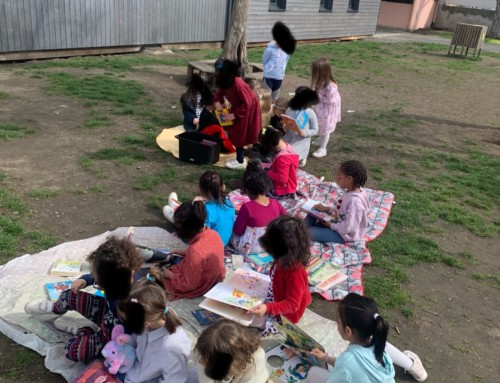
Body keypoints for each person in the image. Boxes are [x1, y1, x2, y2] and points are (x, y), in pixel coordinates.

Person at [24, 236, 143, 362]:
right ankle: (55, 307)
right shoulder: (119, 275)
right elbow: (99, 274)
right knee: (71, 295)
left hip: (111, 336)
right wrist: (85, 280)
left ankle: (84, 330)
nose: (95, 280)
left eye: (97, 280)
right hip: (106, 313)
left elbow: (131, 338)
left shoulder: (134, 299)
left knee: (73, 351)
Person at [307, 293, 428, 383]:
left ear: (348, 331)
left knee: (312, 373)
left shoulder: (347, 361)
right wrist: (326, 358)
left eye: (338, 322)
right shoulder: (377, 344)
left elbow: (343, 370)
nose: (336, 325)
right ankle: (413, 366)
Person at [119, 273, 191, 383]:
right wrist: (128, 340)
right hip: (135, 370)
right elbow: (139, 341)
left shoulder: (173, 348)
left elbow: (175, 380)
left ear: (146, 323)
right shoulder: (153, 316)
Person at [250, 216, 311, 331]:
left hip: (288, 315)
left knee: (252, 321)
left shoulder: (295, 272)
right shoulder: (284, 258)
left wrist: (267, 308)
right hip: (278, 297)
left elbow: (292, 304)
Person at [161, 201, 225, 301]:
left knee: (155, 282)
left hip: (202, 286)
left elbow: (188, 285)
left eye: (178, 227)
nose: (177, 230)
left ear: (187, 229)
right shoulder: (213, 234)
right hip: (212, 279)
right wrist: (185, 252)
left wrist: (170, 275)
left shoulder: (195, 251)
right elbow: (205, 253)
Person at [163, 171, 235, 246]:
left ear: (200, 190)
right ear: (223, 187)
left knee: (176, 214)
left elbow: (200, 231)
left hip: (210, 245)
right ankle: (174, 209)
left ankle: (173, 215)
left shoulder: (206, 209)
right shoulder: (229, 203)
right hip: (223, 242)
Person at [214, 59, 262, 170]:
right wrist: (219, 107)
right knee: (235, 132)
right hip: (238, 108)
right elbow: (218, 95)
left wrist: (233, 115)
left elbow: (247, 104)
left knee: (241, 133)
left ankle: (242, 161)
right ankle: (239, 158)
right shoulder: (225, 81)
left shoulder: (238, 84)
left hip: (248, 110)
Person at [306, 160, 369, 244]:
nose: (337, 177)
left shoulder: (355, 202)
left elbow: (349, 227)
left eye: (339, 175)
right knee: (313, 212)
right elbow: (341, 208)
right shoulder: (350, 191)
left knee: (309, 233)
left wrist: (331, 225)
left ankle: (302, 231)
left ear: (349, 179)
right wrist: (326, 209)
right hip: (337, 220)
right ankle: (301, 229)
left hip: (343, 234)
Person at [232, 160, 287, 254]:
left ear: (247, 191)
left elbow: (238, 231)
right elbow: (286, 219)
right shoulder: (275, 203)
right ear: (266, 187)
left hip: (250, 248)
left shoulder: (247, 207)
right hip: (270, 243)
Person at [192, 319, 270, 383]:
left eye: (207, 360)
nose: (200, 360)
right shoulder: (206, 349)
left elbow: (251, 380)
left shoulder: (257, 357)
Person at [310, 58, 342, 158]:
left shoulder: (330, 86)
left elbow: (331, 100)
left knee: (326, 127)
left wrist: (318, 97)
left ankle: (323, 148)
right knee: (321, 124)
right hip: (322, 108)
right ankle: (321, 137)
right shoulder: (321, 82)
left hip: (328, 110)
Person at [282, 86, 319, 167]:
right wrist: (285, 126)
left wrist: (305, 133)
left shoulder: (310, 113)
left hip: (301, 141)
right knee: (282, 154)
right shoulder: (290, 109)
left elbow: (315, 130)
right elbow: (287, 121)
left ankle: (302, 157)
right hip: (289, 138)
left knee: (289, 158)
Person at [260, 127, 299, 199]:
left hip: (283, 191)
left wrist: (267, 172)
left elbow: (282, 179)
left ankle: (246, 188)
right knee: (263, 165)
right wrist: (267, 166)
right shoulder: (287, 146)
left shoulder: (282, 160)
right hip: (289, 186)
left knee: (257, 185)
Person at [262, 21, 296, 101]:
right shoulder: (269, 49)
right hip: (268, 76)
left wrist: (282, 71)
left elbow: (286, 61)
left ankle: (273, 112)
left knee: (275, 98)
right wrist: (268, 69)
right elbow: (264, 60)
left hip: (279, 77)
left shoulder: (286, 51)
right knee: (266, 98)